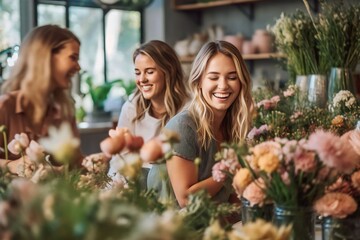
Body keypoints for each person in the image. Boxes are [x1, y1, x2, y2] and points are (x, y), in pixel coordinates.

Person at [147, 40, 254, 207]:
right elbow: (186, 200)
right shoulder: (183, 127)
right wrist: (229, 169)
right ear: (198, 82)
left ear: (241, 83)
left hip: (217, 225)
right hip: (173, 228)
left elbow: (234, 197)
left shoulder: (236, 126)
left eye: (232, 77)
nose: (223, 85)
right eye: (213, 77)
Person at [0, 24, 82, 174]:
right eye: (73, 58)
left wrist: (91, 163)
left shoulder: (64, 112)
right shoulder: (5, 106)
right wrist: (12, 165)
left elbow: (75, 164)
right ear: (46, 57)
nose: (78, 67)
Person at [108, 40, 190, 183]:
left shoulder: (189, 108)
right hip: (133, 186)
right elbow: (119, 159)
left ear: (168, 71)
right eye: (137, 73)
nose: (142, 79)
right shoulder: (131, 107)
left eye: (149, 72)